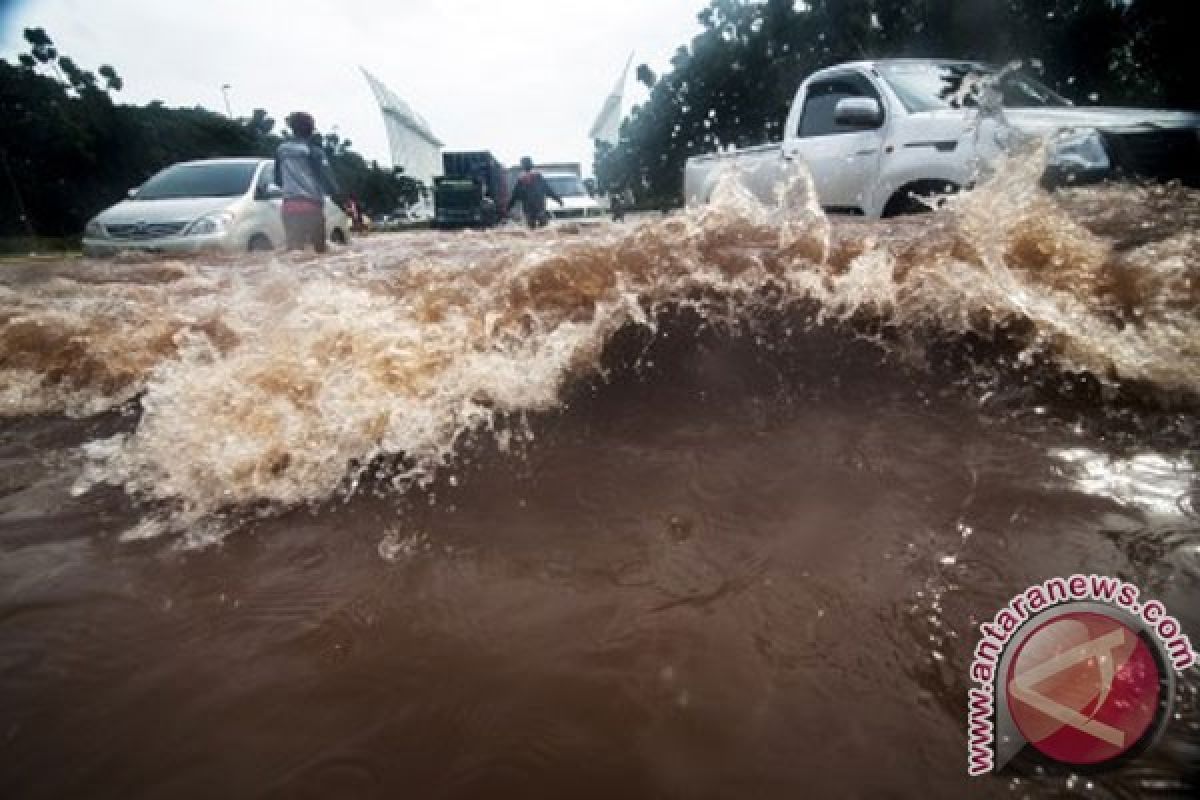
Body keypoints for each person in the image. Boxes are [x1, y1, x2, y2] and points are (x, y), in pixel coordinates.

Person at [274, 112, 340, 252]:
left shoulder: (281, 150)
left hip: (289, 207)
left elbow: (278, 180)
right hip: (312, 207)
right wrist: (340, 197)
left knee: (295, 251)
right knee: (320, 252)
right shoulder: (315, 152)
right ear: (311, 130)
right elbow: (328, 179)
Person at [506, 157, 563, 229]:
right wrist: (558, 199)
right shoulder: (537, 177)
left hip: (529, 210)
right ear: (532, 165)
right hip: (539, 208)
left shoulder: (521, 179)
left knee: (532, 230)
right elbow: (548, 190)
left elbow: (514, 196)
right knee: (543, 229)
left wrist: (508, 208)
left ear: (522, 166)